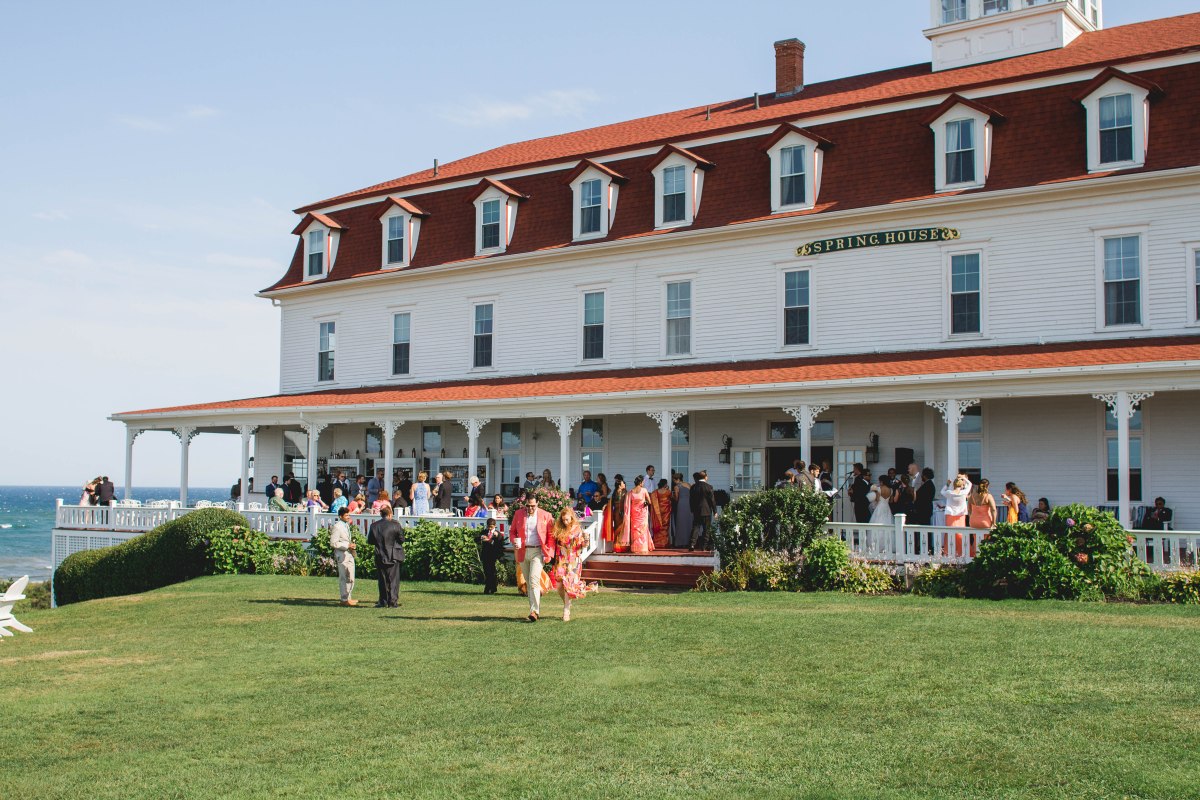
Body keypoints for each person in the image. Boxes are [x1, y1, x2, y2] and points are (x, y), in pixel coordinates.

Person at [511, 492, 555, 622]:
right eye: (528, 506)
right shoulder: (518, 514)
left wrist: (549, 553)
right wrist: (514, 540)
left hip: (538, 551)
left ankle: (535, 611)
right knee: (529, 583)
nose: (530, 508)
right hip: (523, 551)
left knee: (534, 580)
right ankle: (533, 610)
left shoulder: (546, 515)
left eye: (533, 506)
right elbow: (512, 531)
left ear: (537, 504)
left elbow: (551, 536)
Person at [548, 506, 597, 621]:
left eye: (567, 520)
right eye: (563, 520)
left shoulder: (577, 530)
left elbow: (581, 546)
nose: (565, 522)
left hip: (573, 560)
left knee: (568, 585)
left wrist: (585, 543)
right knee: (559, 586)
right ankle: (567, 603)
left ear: (571, 518)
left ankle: (566, 610)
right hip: (561, 559)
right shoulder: (559, 528)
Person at [367, 505, 405, 608]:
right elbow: (402, 539)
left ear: (381, 514)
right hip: (393, 555)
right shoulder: (395, 525)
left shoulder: (374, 526)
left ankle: (383, 601)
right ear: (390, 514)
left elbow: (370, 541)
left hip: (380, 554)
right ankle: (392, 601)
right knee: (393, 579)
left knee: (382, 579)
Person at [329, 506, 358, 606]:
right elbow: (333, 543)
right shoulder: (337, 526)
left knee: (351, 576)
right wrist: (347, 545)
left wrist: (351, 545)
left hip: (349, 553)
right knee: (344, 576)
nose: (348, 517)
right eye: (346, 515)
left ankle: (348, 597)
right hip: (342, 554)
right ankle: (344, 599)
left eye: (348, 515)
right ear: (340, 516)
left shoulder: (346, 525)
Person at [477, 517, 506, 594]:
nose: (489, 528)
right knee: (487, 571)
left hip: (493, 555)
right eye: (488, 526)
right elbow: (476, 539)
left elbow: (499, 545)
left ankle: (488, 589)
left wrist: (491, 540)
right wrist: (481, 537)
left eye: (491, 527)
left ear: (495, 526)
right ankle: (493, 588)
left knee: (491, 572)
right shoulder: (484, 532)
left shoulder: (498, 534)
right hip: (485, 555)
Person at [689, 470, 716, 551]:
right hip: (707, 510)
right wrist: (715, 511)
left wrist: (692, 509)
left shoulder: (693, 487)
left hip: (696, 511)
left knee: (695, 528)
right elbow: (712, 500)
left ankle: (692, 545)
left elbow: (691, 500)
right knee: (706, 529)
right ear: (705, 477)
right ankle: (704, 546)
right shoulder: (709, 487)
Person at [604, 475, 629, 550]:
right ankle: (617, 545)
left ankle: (620, 545)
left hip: (621, 511)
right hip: (619, 512)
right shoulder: (619, 492)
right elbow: (616, 502)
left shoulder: (624, 492)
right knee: (618, 528)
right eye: (623, 484)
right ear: (620, 486)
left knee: (621, 528)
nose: (624, 485)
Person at [650, 478, 673, 549]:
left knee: (658, 526)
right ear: (665, 484)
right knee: (665, 527)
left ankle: (657, 543)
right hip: (666, 511)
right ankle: (664, 543)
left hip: (658, 512)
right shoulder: (668, 492)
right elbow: (672, 498)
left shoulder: (655, 492)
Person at [672, 472, 693, 548]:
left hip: (681, 504)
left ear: (677, 479)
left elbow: (676, 498)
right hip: (689, 504)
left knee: (681, 523)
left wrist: (672, 496)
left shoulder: (677, 487)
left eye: (674, 480)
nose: (673, 481)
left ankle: (681, 542)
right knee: (689, 522)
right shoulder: (688, 484)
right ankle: (690, 542)